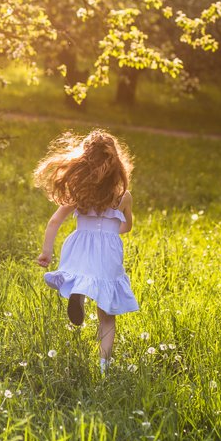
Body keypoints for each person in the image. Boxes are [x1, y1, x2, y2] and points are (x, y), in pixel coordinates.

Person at [34, 129, 138, 376]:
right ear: (117, 166)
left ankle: (78, 295)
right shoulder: (123, 197)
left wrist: (47, 252)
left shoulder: (80, 194)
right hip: (108, 254)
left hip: (79, 247)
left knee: (79, 277)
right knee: (107, 315)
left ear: (83, 163)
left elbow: (54, 222)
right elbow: (127, 227)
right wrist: (112, 230)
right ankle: (103, 367)